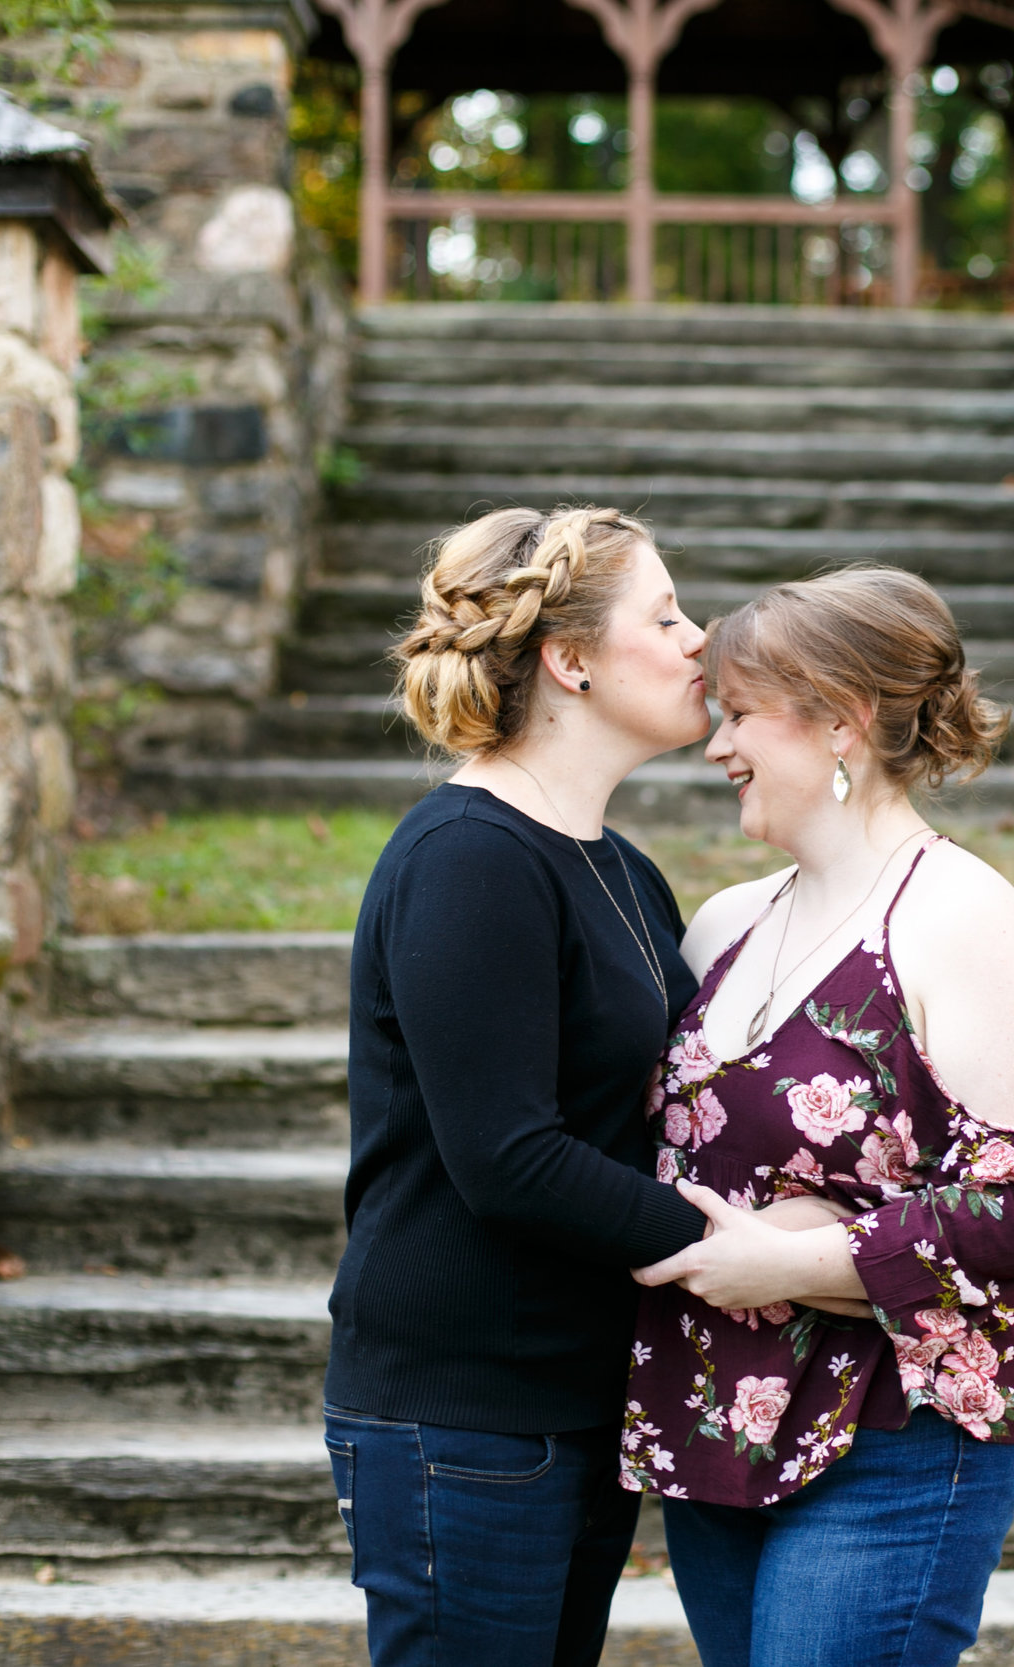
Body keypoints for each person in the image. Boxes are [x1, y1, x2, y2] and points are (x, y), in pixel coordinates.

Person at [623, 565, 1014, 1667]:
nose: (715, 746)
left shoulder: (958, 912)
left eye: (738, 715)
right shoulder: (726, 924)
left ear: (840, 719)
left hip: (893, 1428)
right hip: (716, 1423)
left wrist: (797, 1261)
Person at [323, 504, 721, 1667]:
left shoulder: (619, 867)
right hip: (464, 1409)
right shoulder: (469, 858)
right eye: (665, 614)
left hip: (578, 1394)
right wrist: (724, 1240)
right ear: (572, 659)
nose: (700, 639)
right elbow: (507, 1157)